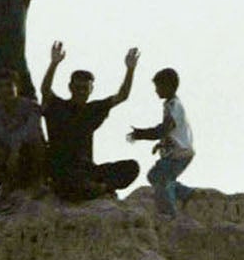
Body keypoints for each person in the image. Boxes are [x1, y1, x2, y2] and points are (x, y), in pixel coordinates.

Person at [41, 42, 141, 201]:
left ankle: (101, 188)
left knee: (131, 167)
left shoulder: (93, 110)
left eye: (85, 88)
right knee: (69, 183)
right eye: (77, 87)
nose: (81, 92)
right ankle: (93, 189)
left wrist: (130, 69)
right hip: (63, 170)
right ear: (70, 87)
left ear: (91, 90)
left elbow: (122, 95)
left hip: (88, 170)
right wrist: (54, 63)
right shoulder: (57, 107)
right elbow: (45, 89)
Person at [0, 70, 48, 206]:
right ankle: (5, 183)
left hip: (25, 154)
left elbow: (31, 132)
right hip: (5, 155)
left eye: (9, 85)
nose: (6, 90)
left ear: (18, 87)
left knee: (36, 143)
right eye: (1, 86)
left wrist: (15, 149)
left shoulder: (31, 107)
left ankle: (37, 182)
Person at [129, 67, 196, 217]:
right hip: (176, 152)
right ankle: (186, 193)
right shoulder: (169, 105)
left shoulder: (174, 105)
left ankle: (168, 214)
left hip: (180, 153)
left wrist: (142, 134)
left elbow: (165, 129)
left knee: (161, 179)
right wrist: (161, 144)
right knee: (154, 175)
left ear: (169, 86)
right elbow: (171, 132)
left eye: (158, 87)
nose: (156, 91)